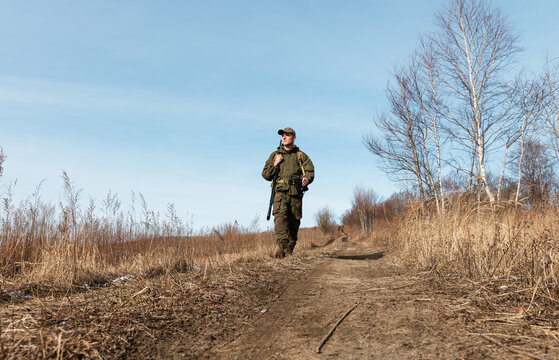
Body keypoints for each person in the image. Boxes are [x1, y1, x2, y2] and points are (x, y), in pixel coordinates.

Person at [262, 127, 315, 258]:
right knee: (280, 218)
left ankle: (290, 249)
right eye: (282, 136)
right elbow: (265, 175)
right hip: (279, 192)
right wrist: (275, 163)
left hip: (295, 193)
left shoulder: (301, 156)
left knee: (294, 222)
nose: (284, 138)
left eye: (287, 135)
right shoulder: (275, 155)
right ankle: (282, 247)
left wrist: (306, 179)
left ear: (294, 138)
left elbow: (310, 171)